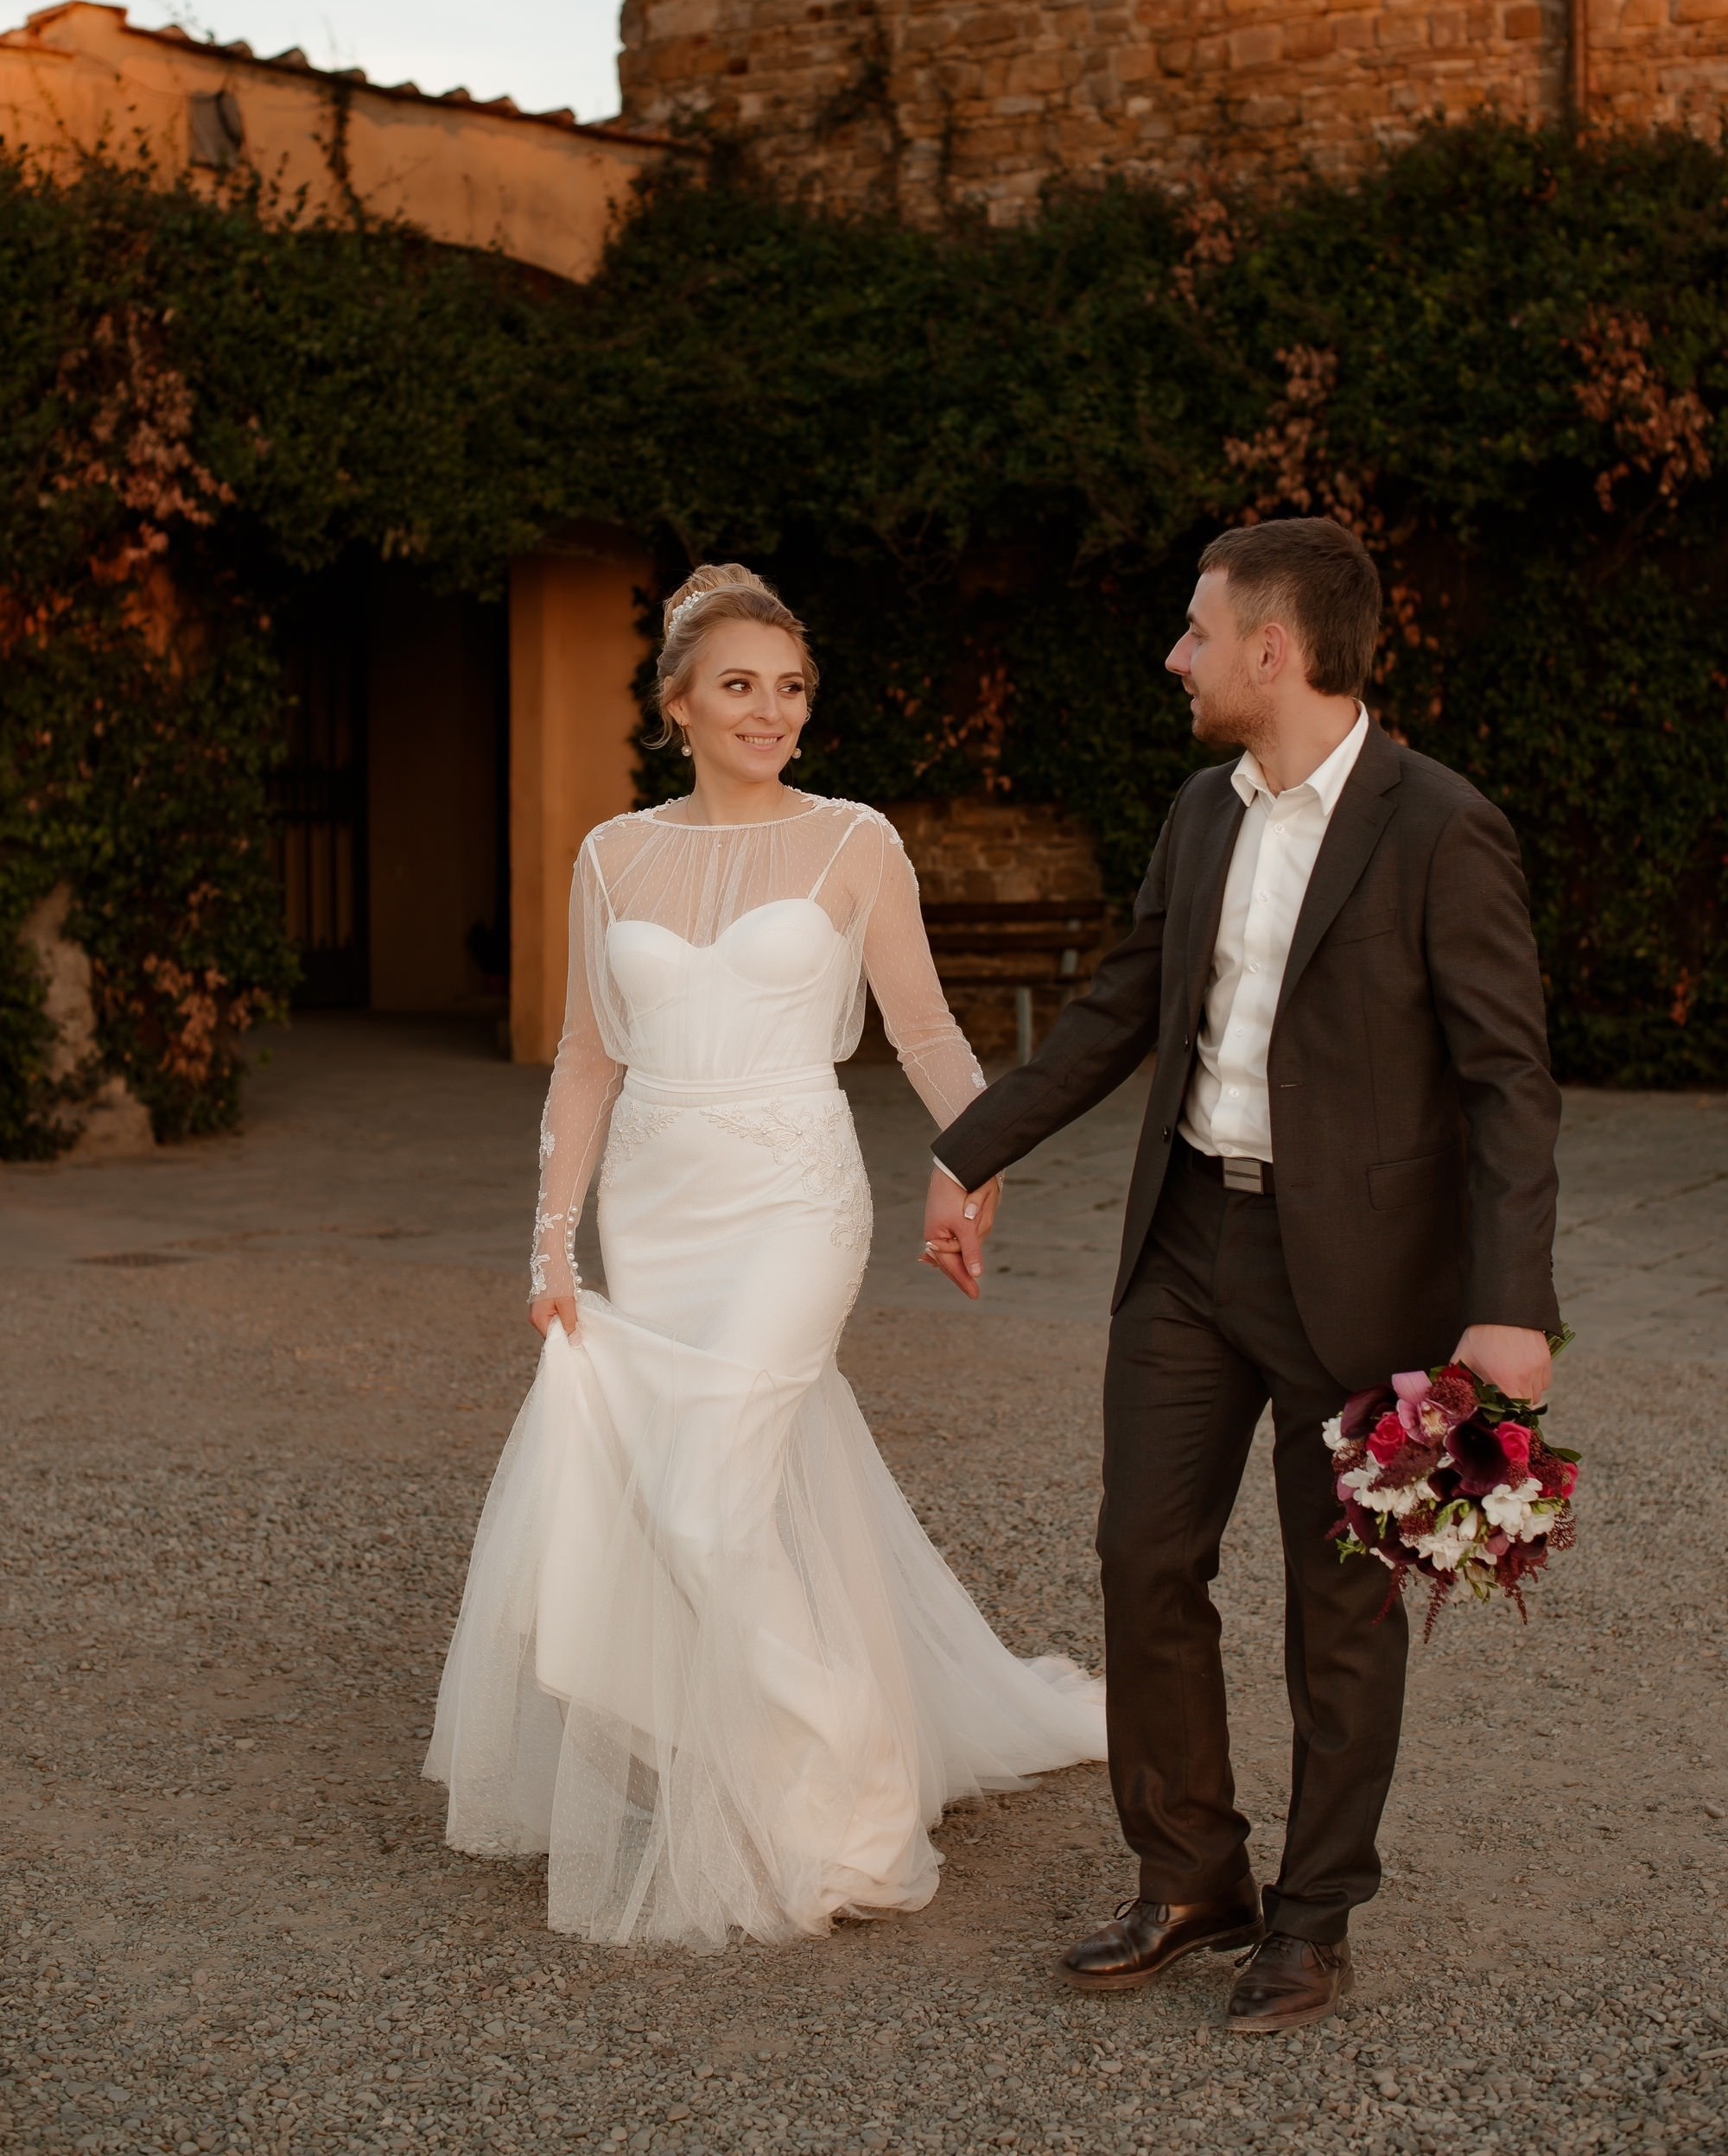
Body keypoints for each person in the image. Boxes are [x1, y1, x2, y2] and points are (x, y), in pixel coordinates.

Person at [921, 517, 1561, 2033]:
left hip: (1370, 1275)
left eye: (1197, 632)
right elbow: (1116, 1010)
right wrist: (969, 1145)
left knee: (1340, 1608)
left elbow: (1509, 1082)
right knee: (1143, 1559)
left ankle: (1316, 1918)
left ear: (1274, 650)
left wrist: (1513, 1303)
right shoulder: (1201, 815)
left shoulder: (1440, 826)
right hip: (1190, 1246)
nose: (1178, 656)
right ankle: (1191, 1875)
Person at [425, 563, 1103, 1947]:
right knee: (722, 1487)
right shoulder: (612, 855)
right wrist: (553, 1242)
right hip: (660, 1214)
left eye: (791, 688)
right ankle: (780, 1739)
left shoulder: (856, 841)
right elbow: (584, 1064)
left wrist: (976, 1157)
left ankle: (847, 1770)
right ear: (677, 701)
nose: (772, 711)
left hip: (798, 1197)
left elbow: (919, 1031)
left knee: (699, 1505)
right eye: (740, 685)